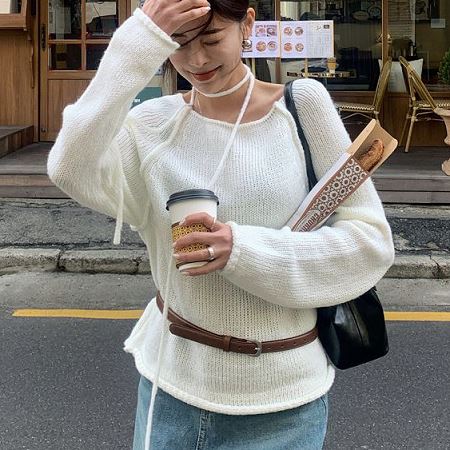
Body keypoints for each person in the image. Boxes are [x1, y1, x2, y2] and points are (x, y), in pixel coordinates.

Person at [46, 0, 396, 449]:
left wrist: (242, 251)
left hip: (283, 403)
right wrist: (136, 42)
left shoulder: (301, 108)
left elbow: (369, 243)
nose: (197, 60)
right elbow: (69, 167)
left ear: (246, 25)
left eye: (211, 39)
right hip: (169, 391)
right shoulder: (151, 126)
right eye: (178, 43)